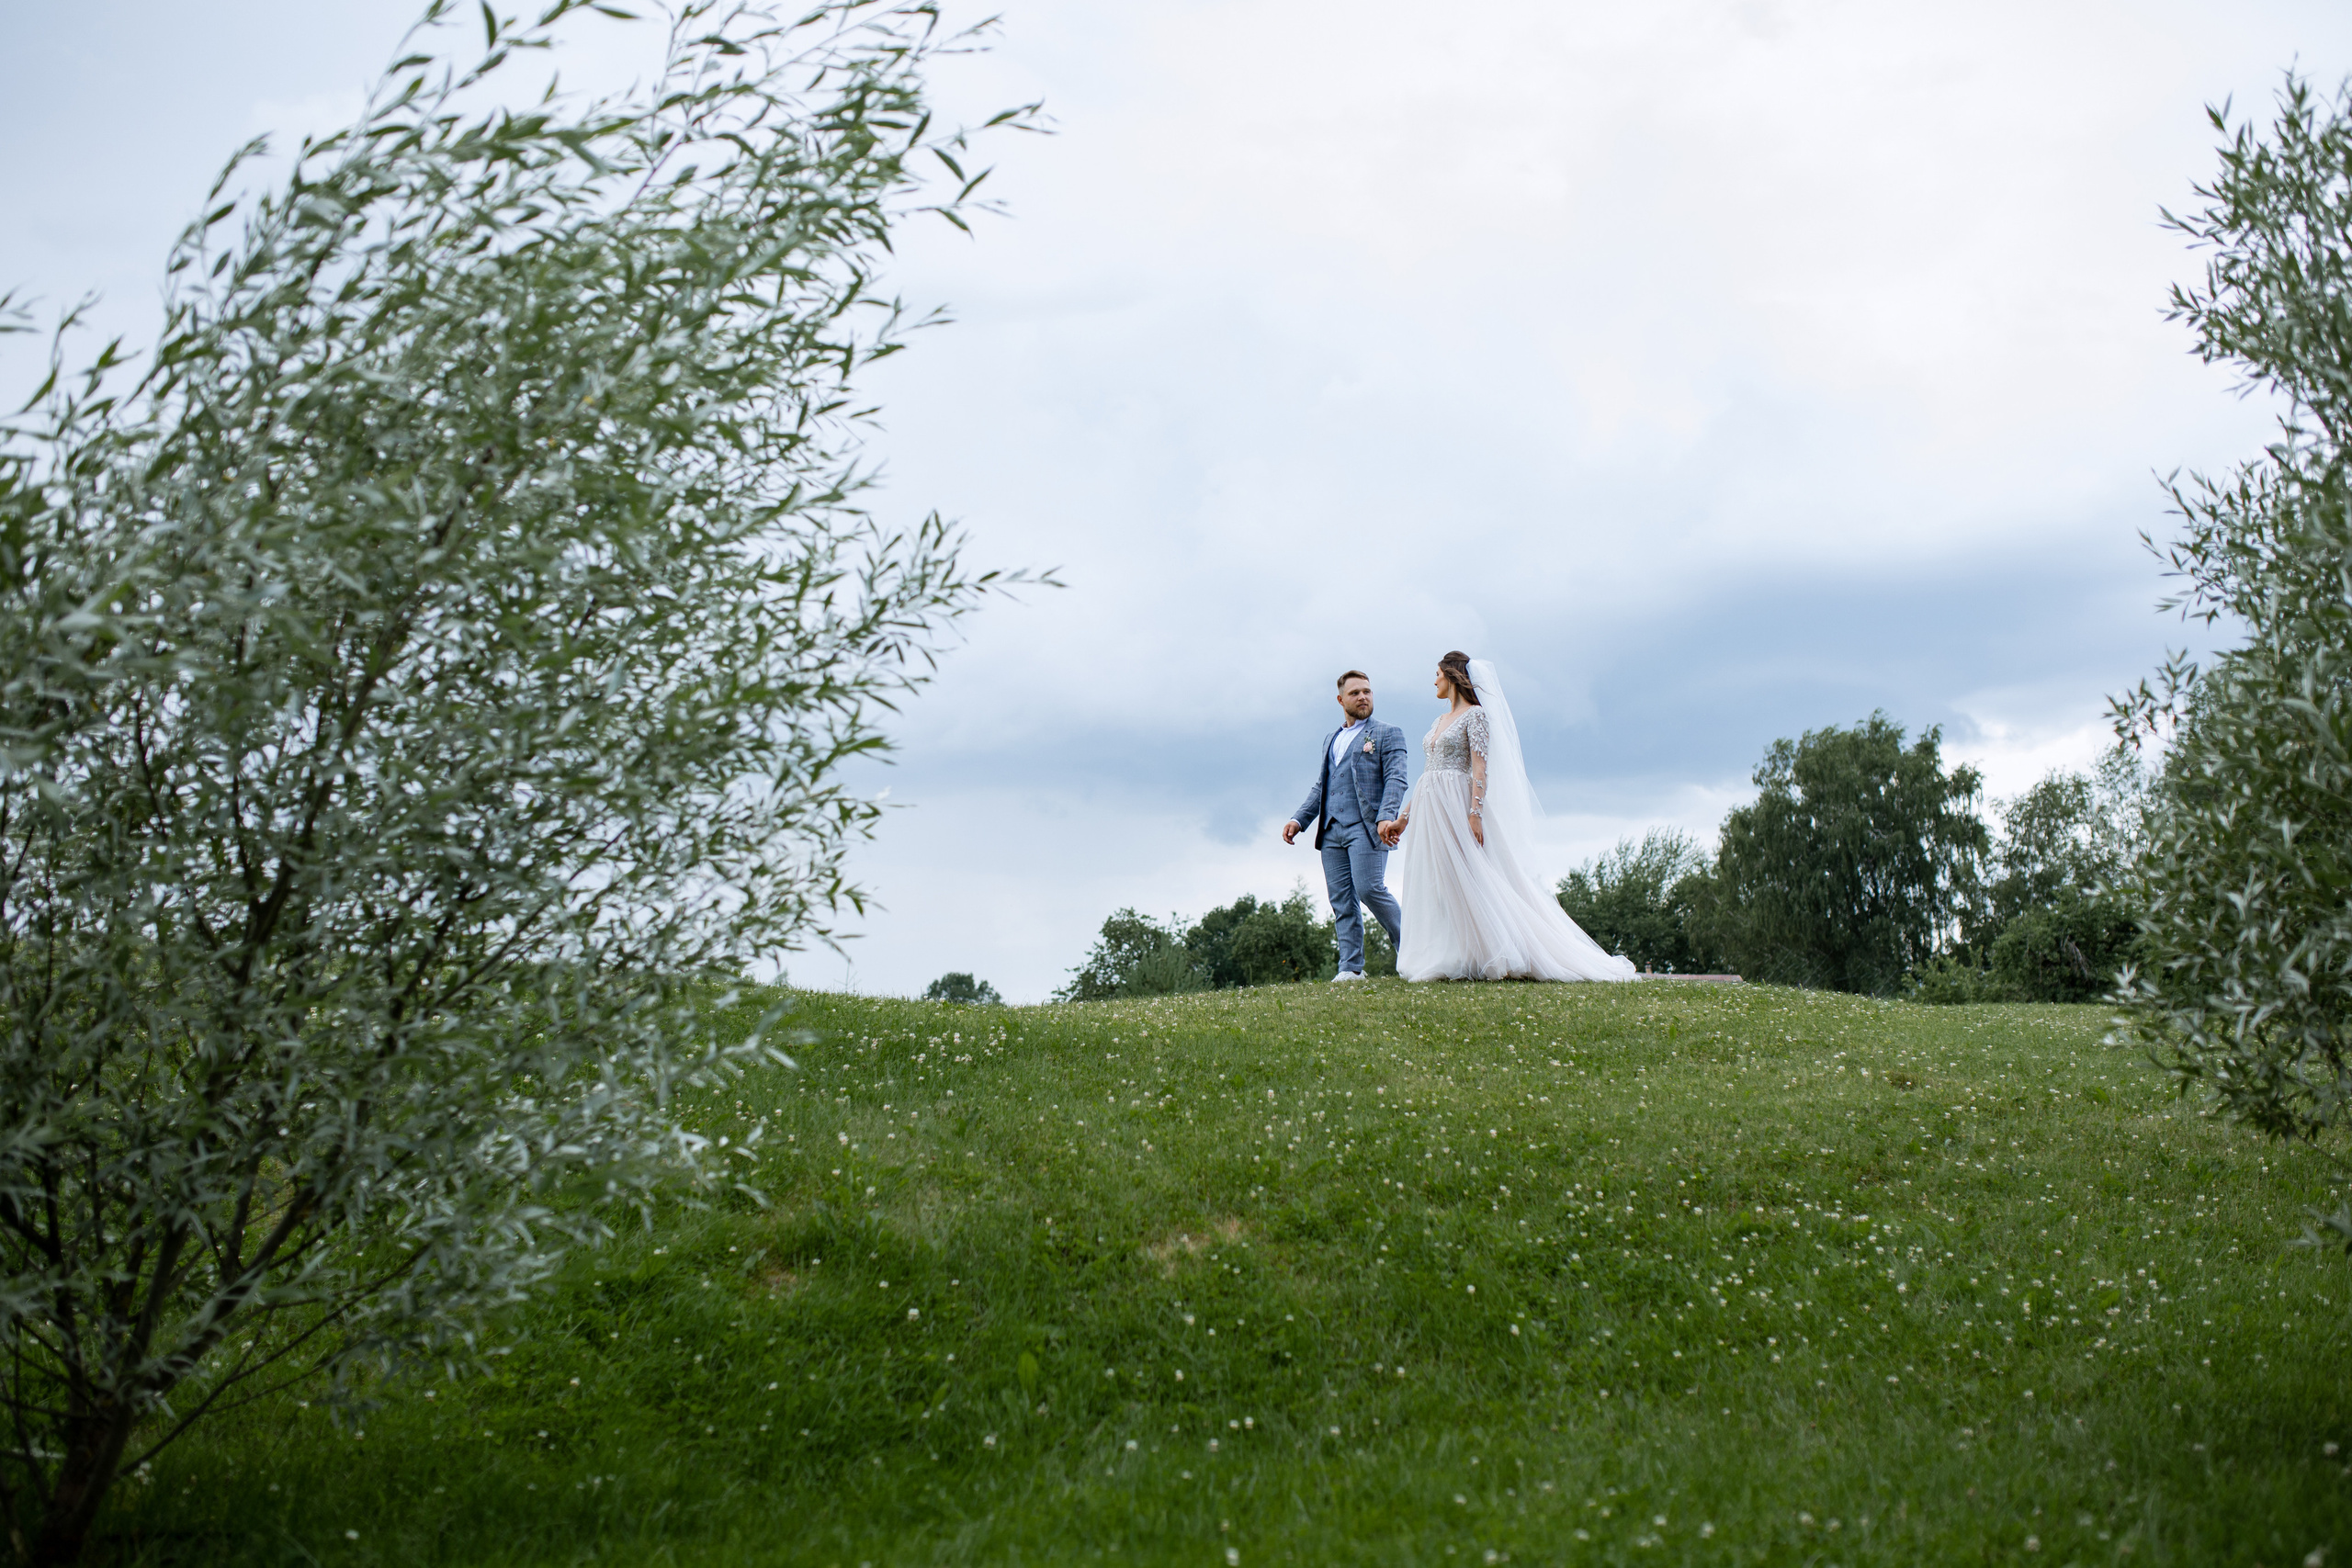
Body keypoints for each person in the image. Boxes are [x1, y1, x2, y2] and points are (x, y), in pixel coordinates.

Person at [1387, 652, 1637, 984]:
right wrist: (1403, 819)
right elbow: (1426, 774)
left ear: (1451, 675)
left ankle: (1497, 951)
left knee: (1470, 877)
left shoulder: (1475, 716)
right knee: (1441, 882)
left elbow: (1479, 767)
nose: (1433, 681)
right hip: (1431, 806)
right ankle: (1456, 954)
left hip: (1457, 804)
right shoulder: (1437, 721)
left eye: (1437, 674)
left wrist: (1474, 813)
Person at [1283, 670, 1410, 981]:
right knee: (1341, 899)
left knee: (1369, 888)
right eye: (1355, 693)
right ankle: (1351, 968)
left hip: (1367, 826)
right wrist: (1299, 819)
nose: (1363, 697)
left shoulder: (1387, 733)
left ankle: (1413, 951)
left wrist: (1386, 815)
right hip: (1331, 830)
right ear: (1341, 700)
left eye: (1367, 691)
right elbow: (1322, 786)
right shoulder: (1332, 739)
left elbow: (1397, 777)